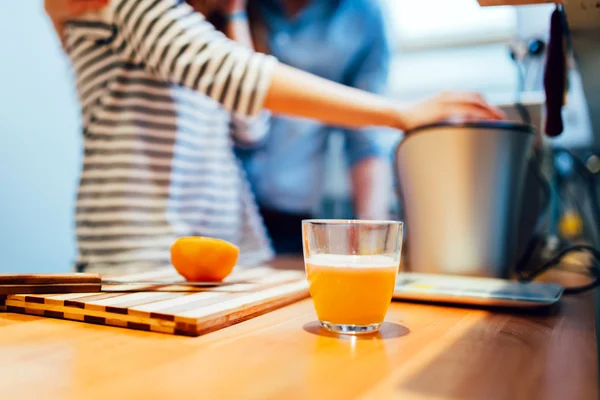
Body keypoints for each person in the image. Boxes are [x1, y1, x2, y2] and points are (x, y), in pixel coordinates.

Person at [44, 0, 504, 273]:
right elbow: (240, 76)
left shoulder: (202, 22)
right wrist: (399, 113)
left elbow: (250, 121)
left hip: (219, 250)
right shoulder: (137, 7)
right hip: (139, 249)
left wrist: (234, 11)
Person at [237, 0, 395, 254]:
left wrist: (373, 239)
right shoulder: (229, 7)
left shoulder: (363, 15)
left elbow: (366, 140)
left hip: (290, 209)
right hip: (217, 206)